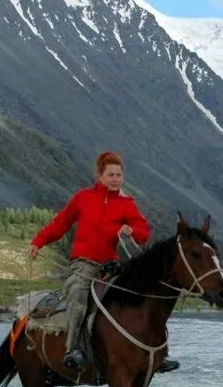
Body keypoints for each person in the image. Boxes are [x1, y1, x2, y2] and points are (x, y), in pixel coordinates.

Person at [29, 151, 152, 372]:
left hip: (110, 266)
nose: (115, 179)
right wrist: (38, 242)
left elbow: (144, 232)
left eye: (119, 175)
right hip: (83, 264)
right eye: (110, 174)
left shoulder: (127, 204)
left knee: (140, 294)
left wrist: (131, 229)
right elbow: (60, 224)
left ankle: (153, 351)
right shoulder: (83, 198)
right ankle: (73, 349)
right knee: (78, 294)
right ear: (99, 176)